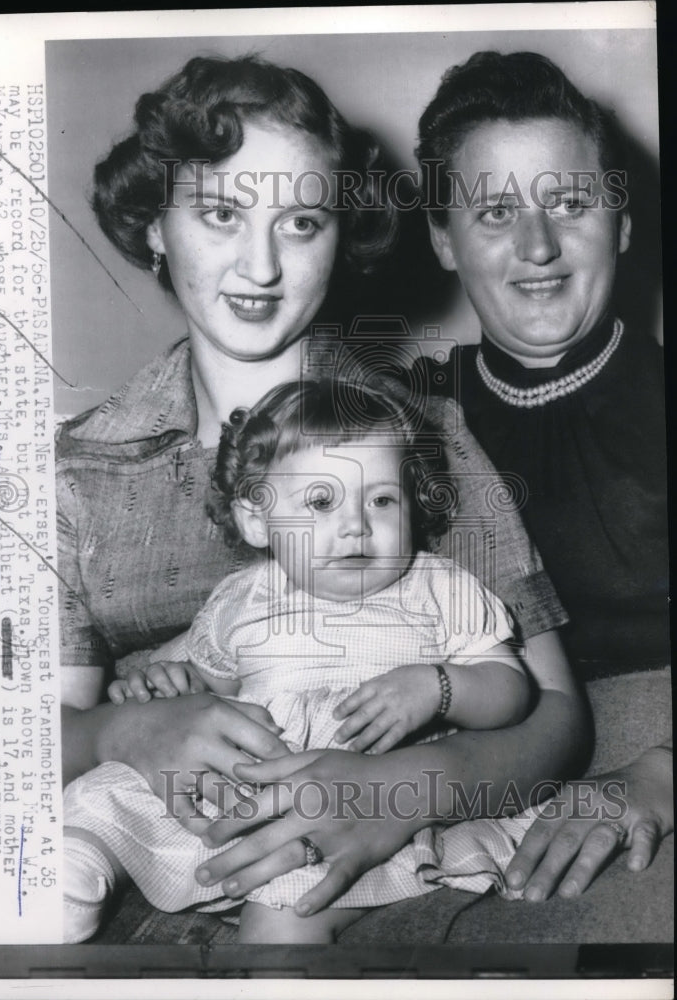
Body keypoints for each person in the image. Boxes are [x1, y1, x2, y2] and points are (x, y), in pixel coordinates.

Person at [59, 54, 586, 940]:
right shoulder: (79, 474)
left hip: (372, 862)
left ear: (341, 236)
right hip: (145, 854)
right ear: (155, 225)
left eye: (302, 222)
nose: (260, 266)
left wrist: (400, 789)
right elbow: (25, 743)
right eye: (221, 214)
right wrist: (124, 733)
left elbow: (558, 720)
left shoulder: (429, 439)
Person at [63, 377, 537, 943]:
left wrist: (439, 687)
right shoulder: (243, 597)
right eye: (321, 500)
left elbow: (513, 691)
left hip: (357, 807)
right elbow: (208, 680)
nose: (358, 523)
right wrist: (168, 684)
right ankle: (73, 872)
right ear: (257, 520)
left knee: (291, 907)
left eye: (382, 499)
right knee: (107, 790)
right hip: (242, 787)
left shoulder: (438, 588)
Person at [412, 50, 672, 914]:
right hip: (458, 783)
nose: (538, 247)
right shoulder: (395, 423)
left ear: (622, 223)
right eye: (495, 213)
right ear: (443, 240)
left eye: (568, 203)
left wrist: (660, 777)